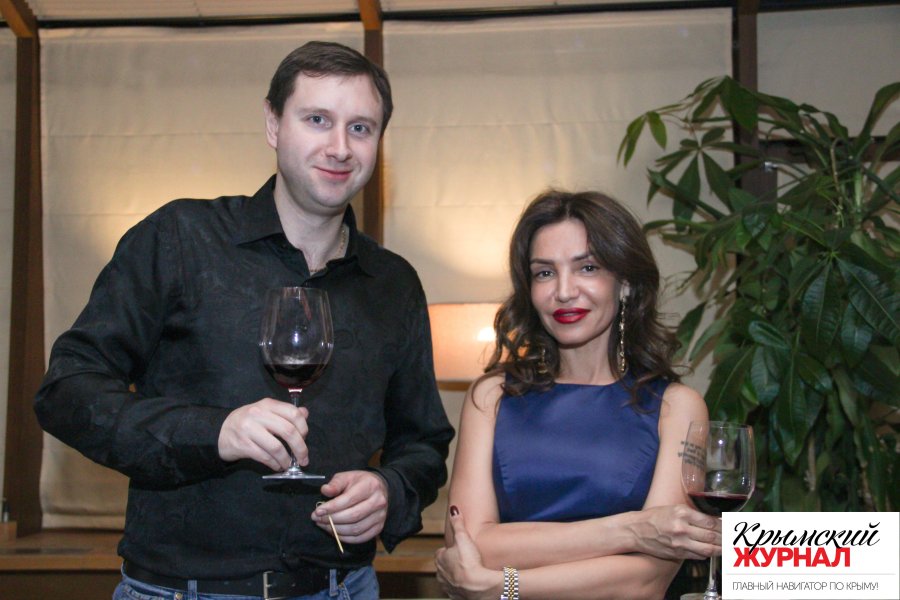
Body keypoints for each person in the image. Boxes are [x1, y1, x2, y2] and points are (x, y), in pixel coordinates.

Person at [34, 41, 453, 600]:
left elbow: (423, 440)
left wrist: (390, 489)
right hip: (182, 591)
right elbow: (66, 391)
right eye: (317, 120)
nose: (339, 147)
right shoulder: (180, 239)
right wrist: (214, 432)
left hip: (344, 587)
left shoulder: (393, 283)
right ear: (273, 124)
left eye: (360, 128)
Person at [435, 190, 719, 599]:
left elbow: (645, 580)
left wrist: (503, 586)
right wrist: (631, 529)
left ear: (625, 283)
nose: (564, 291)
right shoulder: (492, 396)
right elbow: (469, 544)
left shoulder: (677, 408)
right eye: (544, 273)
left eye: (587, 267)